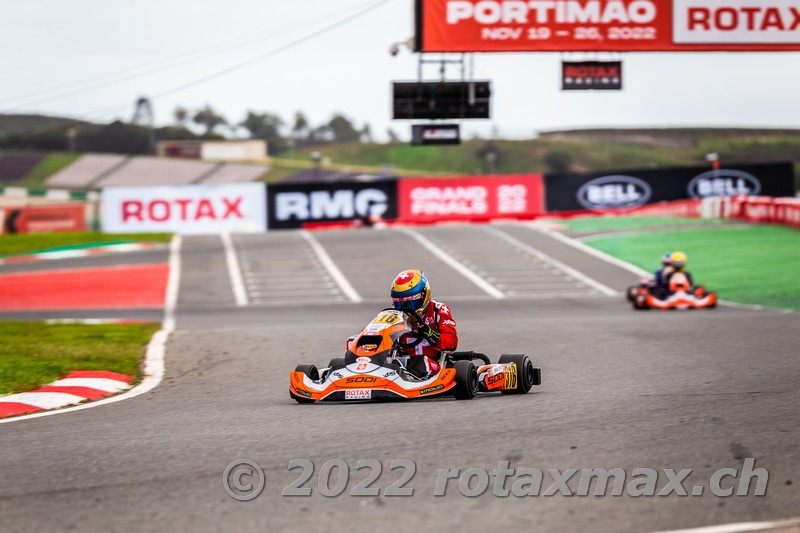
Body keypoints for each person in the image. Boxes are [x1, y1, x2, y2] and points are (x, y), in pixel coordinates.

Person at [390, 269, 458, 378]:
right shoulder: (393, 316)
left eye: (410, 303)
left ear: (424, 296)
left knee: (420, 362)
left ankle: (408, 377)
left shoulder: (438, 310)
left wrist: (430, 334)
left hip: (433, 364)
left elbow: (451, 343)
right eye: (400, 304)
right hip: (402, 364)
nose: (405, 309)